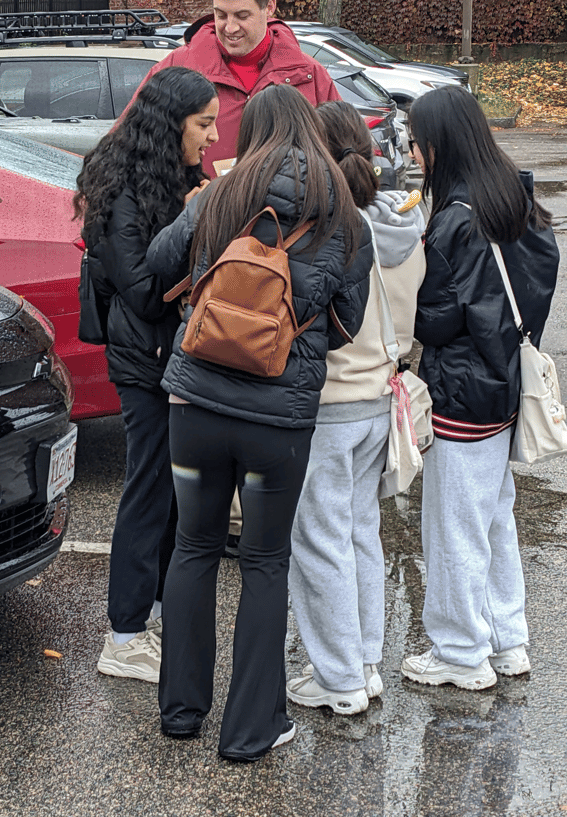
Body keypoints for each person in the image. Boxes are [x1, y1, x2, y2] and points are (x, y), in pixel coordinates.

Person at [145, 84, 370, 762]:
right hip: (279, 420)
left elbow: (158, 266)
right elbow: (349, 323)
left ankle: (181, 712)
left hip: (196, 409)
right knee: (267, 564)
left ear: (253, 133)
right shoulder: (343, 214)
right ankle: (249, 731)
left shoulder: (221, 194)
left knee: (193, 547)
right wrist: (289, 343)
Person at [404, 86, 558, 690]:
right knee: (494, 515)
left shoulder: (453, 220)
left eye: (416, 142)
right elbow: (540, 272)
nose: (413, 153)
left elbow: (433, 320)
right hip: (503, 384)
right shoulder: (512, 194)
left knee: (454, 525)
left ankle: (461, 650)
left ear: (438, 145)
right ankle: (507, 638)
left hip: (461, 390)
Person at [73, 66, 218, 684]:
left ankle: (151, 613)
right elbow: (141, 291)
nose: (212, 137)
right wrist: (192, 222)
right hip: (143, 361)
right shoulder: (119, 191)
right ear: (170, 126)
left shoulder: (180, 175)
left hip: (178, 356)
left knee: (175, 491)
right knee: (148, 487)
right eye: (203, 124)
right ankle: (123, 634)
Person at [286, 100, 425, 715]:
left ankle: (338, 678)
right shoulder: (401, 227)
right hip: (381, 396)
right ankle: (366, 661)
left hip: (331, 399)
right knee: (362, 533)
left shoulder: (330, 229)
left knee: (319, 541)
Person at [133, 0, 340, 176]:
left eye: (242, 15)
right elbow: (128, 145)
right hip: (198, 209)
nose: (230, 28)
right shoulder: (176, 68)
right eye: (220, 15)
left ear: (269, 7)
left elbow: (344, 159)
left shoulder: (310, 75)